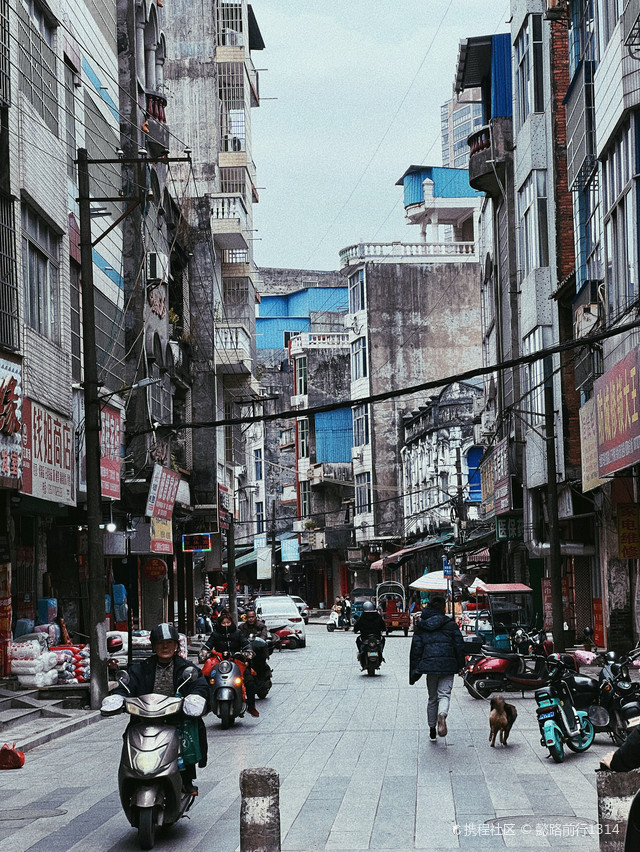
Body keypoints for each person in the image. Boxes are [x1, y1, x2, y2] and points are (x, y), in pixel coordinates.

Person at [114, 622, 208, 795]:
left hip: (176, 717)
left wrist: (195, 697)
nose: (165, 646)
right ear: (154, 646)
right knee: (129, 737)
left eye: (169, 643)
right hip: (145, 717)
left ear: (176, 645)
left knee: (187, 738)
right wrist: (118, 696)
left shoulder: (186, 668)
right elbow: (128, 684)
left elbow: (199, 685)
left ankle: (186, 779)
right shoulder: (141, 668)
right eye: (160, 643)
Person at [409, 594, 466, 741]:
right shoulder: (450, 624)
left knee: (432, 698)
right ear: (443, 608)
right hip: (448, 665)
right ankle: (442, 715)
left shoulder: (421, 625)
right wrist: (461, 666)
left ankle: (432, 730)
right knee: (444, 695)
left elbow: (416, 648)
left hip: (430, 666)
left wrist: (415, 669)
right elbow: (459, 646)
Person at [202, 609, 260, 717]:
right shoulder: (215, 634)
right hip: (218, 661)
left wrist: (247, 651)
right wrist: (204, 652)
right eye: (223, 623)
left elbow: (245, 644)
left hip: (236, 661)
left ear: (231, 623)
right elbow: (208, 645)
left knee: (250, 681)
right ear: (219, 624)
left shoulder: (238, 633)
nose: (226, 625)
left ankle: (251, 706)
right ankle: (208, 703)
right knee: (205, 678)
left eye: (228, 623)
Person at [239, 607, 271, 680]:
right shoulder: (241, 627)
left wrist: (259, 641)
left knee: (261, 666)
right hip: (246, 652)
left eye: (252, 617)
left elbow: (264, 636)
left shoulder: (261, 626)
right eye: (249, 617)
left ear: (255, 617)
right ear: (246, 618)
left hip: (259, 651)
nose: (251, 619)